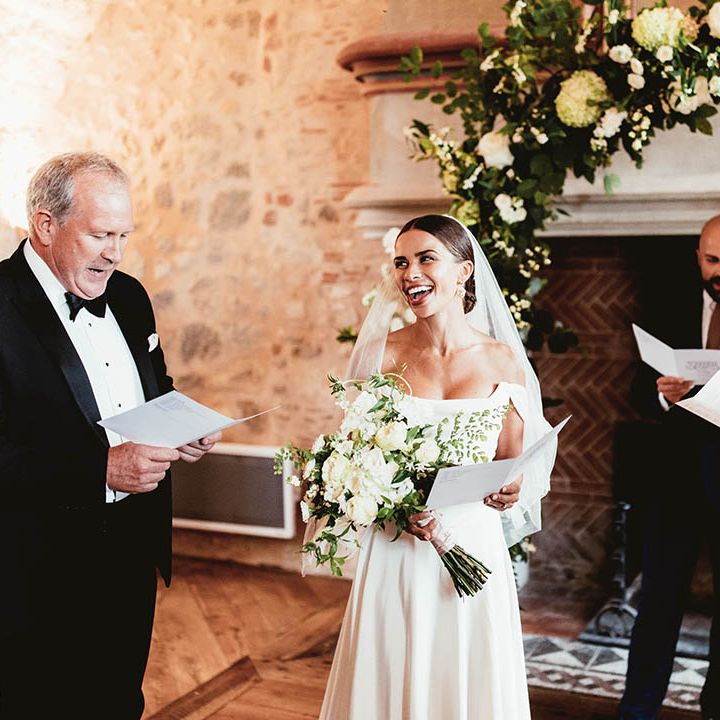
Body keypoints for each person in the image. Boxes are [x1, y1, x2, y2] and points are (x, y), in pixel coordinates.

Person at [0, 152, 220, 720]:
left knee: (119, 701)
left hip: (130, 546)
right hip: (30, 564)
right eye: (100, 235)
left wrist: (185, 426)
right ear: (46, 225)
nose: (115, 253)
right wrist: (97, 468)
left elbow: (156, 387)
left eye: (124, 236)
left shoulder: (129, 296)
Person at [319, 214, 557, 719]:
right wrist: (387, 501)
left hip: (472, 541)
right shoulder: (382, 355)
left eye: (426, 259)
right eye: (401, 263)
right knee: (390, 669)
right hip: (396, 547)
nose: (410, 274)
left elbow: (510, 460)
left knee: (465, 674)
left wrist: (511, 486)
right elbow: (353, 454)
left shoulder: (503, 361)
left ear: (464, 271)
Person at [619, 216, 720, 720]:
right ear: (697, 258)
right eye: (713, 260)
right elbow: (636, 390)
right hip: (676, 480)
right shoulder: (668, 308)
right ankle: (638, 709)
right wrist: (664, 396)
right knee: (658, 601)